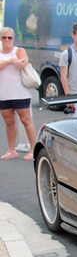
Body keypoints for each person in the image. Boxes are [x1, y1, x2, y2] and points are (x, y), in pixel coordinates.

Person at [0, 27, 36, 161]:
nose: (7, 40)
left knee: (26, 120)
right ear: (1, 39)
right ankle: (11, 149)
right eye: (4, 37)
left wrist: (16, 60)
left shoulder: (19, 51)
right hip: (4, 93)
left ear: (13, 39)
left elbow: (24, 63)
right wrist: (8, 62)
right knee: (9, 122)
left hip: (20, 92)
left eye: (9, 37)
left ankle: (32, 149)